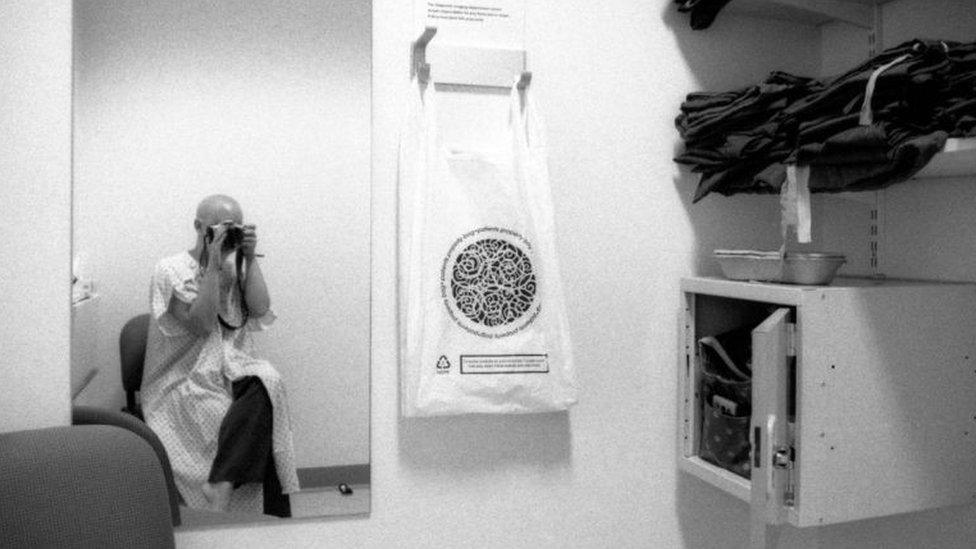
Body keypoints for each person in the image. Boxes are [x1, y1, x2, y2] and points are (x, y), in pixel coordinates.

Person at [142, 194, 298, 516]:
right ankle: (241, 513)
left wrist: (250, 258)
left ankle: (225, 488)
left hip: (231, 368)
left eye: (235, 229)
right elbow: (200, 324)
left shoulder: (236, 267)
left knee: (269, 382)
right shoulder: (169, 270)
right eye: (221, 228)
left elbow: (260, 308)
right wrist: (212, 265)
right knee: (223, 413)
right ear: (199, 227)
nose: (229, 236)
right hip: (181, 377)